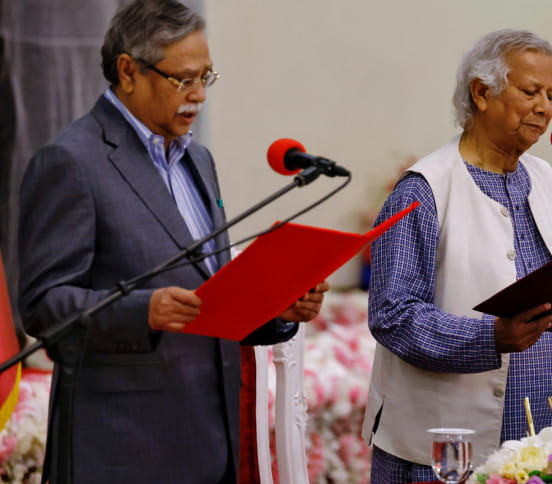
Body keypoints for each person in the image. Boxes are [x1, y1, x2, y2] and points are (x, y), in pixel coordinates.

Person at [16, 1, 328, 481]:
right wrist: (142, 310)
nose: (199, 95)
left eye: (206, 77)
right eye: (183, 80)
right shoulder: (70, 162)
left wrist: (276, 309)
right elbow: (43, 307)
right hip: (123, 450)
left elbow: (211, 299)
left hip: (211, 441)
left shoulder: (198, 160)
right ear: (128, 72)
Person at [360, 29, 552, 484]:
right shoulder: (424, 189)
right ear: (482, 93)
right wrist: (492, 337)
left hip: (545, 451)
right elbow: (393, 316)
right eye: (530, 92)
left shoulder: (545, 181)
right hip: (442, 454)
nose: (544, 108)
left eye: (551, 95)